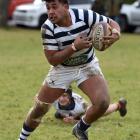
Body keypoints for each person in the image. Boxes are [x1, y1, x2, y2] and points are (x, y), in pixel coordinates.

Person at [18, 0, 121, 140]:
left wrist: (116, 33)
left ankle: (80, 128)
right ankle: (22, 138)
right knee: (40, 108)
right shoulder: (47, 28)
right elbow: (52, 60)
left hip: (87, 65)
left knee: (102, 102)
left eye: (54, 7)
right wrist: (74, 47)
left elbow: (111, 22)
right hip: (62, 69)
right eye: (47, 8)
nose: (50, 12)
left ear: (66, 6)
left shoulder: (85, 16)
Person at [53, 88, 127, 124]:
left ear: (70, 97)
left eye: (64, 96)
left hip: (82, 112)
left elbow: (88, 119)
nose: (61, 99)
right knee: (58, 115)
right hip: (68, 111)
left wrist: (74, 120)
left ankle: (119, 105)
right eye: (59, 96)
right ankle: (62, 114)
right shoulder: (53, 99)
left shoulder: (80, 106)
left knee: (98, 112)